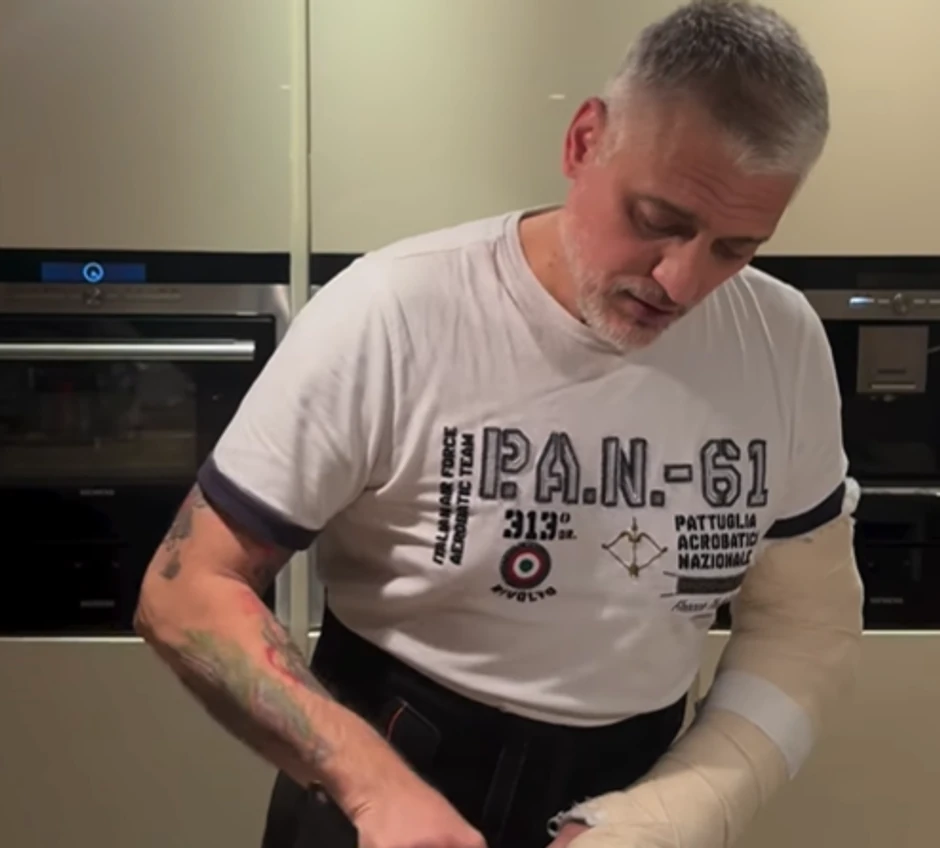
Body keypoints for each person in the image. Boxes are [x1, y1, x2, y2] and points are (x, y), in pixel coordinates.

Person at [134, 2, 865, 847]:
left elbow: (804, 627)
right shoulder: (393, 312)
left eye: (735, 249)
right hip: (381, 781)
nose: (681, 280)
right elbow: (186, 588)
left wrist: (670, 817)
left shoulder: (780, 344)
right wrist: (374, 790)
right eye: (657, 221)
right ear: (584, 142)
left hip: (634, 800)